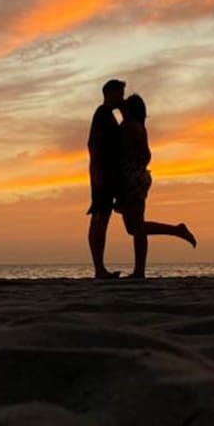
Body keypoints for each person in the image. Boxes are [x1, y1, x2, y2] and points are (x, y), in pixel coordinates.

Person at [117, 93, 196, 278]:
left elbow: (146, 155)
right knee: (136, 227)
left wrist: (134, 168)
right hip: (133, 178)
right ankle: (140, 270)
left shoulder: (132, 127)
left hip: (133, 179)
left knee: (135, 227)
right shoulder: (134, 126)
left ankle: (176, 231)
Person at [87, 78, 125, 279]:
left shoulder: (107, 116)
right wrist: (98, 173)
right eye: (120, 94)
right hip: (103, 175)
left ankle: (99, 268)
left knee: (101, 219)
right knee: (100, 219)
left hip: (105, 174)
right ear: (110, 94)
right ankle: (99, 268)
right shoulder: (103, 114)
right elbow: (94, 145)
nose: (122, 98)